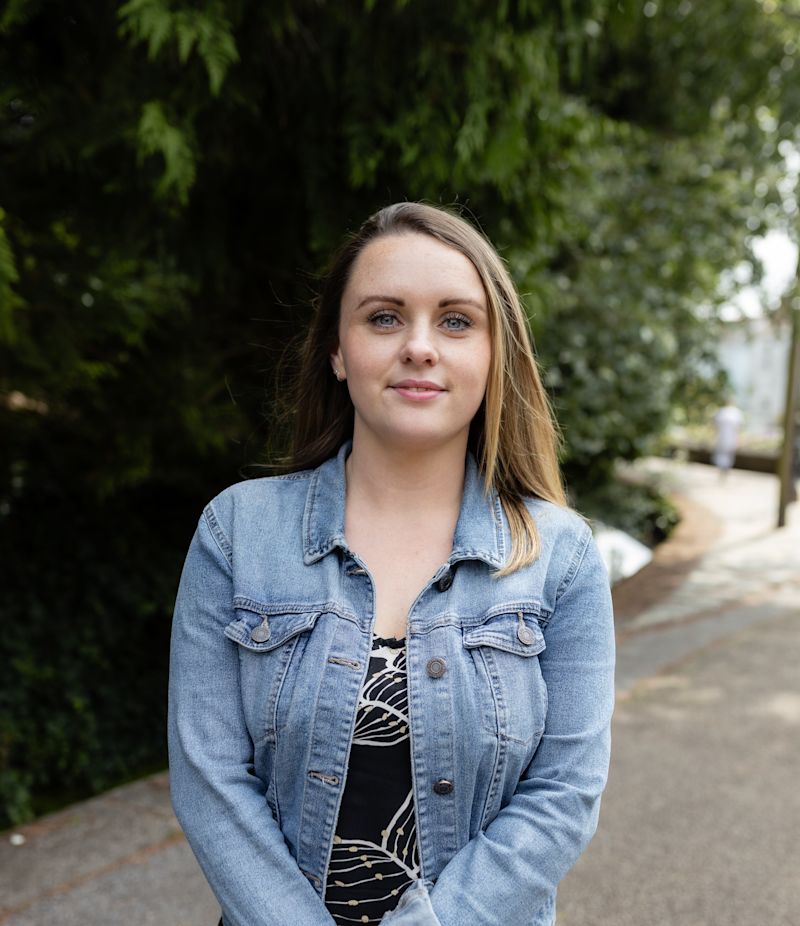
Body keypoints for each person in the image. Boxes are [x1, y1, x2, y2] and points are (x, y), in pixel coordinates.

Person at [168, 202, 616, 926]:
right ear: (338, 352)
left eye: (456, 321)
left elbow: (565, 796)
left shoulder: (560, 557)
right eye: (383, 318)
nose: (419, 346)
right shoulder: (235, 534)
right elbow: (209, 780)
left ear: (494, 354)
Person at [712, 399, 744, 478]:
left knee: (728, 455)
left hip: (730, 437)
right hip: (722, 437)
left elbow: (738, 428)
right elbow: (716, 426)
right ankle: (720, 470)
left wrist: (738, 439)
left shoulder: (736, 412)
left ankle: (725, 470)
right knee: (721, 454)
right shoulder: (722, 411)